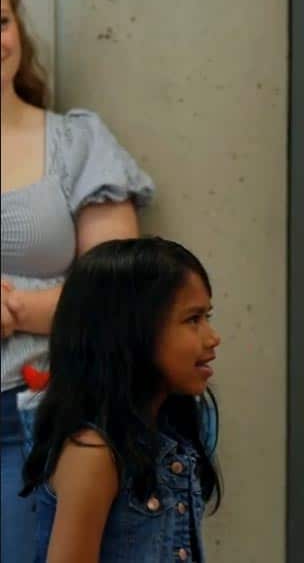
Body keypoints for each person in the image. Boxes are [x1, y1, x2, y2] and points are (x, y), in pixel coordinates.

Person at [0, 0, 154, 563]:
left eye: (2, 21)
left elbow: (118, 294)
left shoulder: (76, 143)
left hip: (32, 418)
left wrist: (14, 310)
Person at [21, 238, 222, 562]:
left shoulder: (171, 439)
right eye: (192, 319)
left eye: (207, 316)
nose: (213, 337)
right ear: (129, 332)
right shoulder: (94, 454)